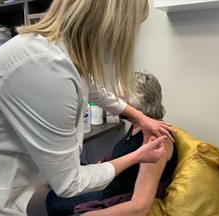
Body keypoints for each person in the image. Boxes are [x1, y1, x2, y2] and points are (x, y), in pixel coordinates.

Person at [0, 1, 175, 215]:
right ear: (112, 25)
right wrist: (138, 155)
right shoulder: (46, 66)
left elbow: (93, 88)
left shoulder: (53, 50)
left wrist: (137, 116)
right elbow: (69, 183)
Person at [45, 70, 178, 216]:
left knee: (59, 203)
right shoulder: (138, 125)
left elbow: (140, 207)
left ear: (137, 103)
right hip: (107, 186)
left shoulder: (155, 140)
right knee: (54, 198)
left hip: (115, 200)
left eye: (121, 99)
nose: (116, 104)